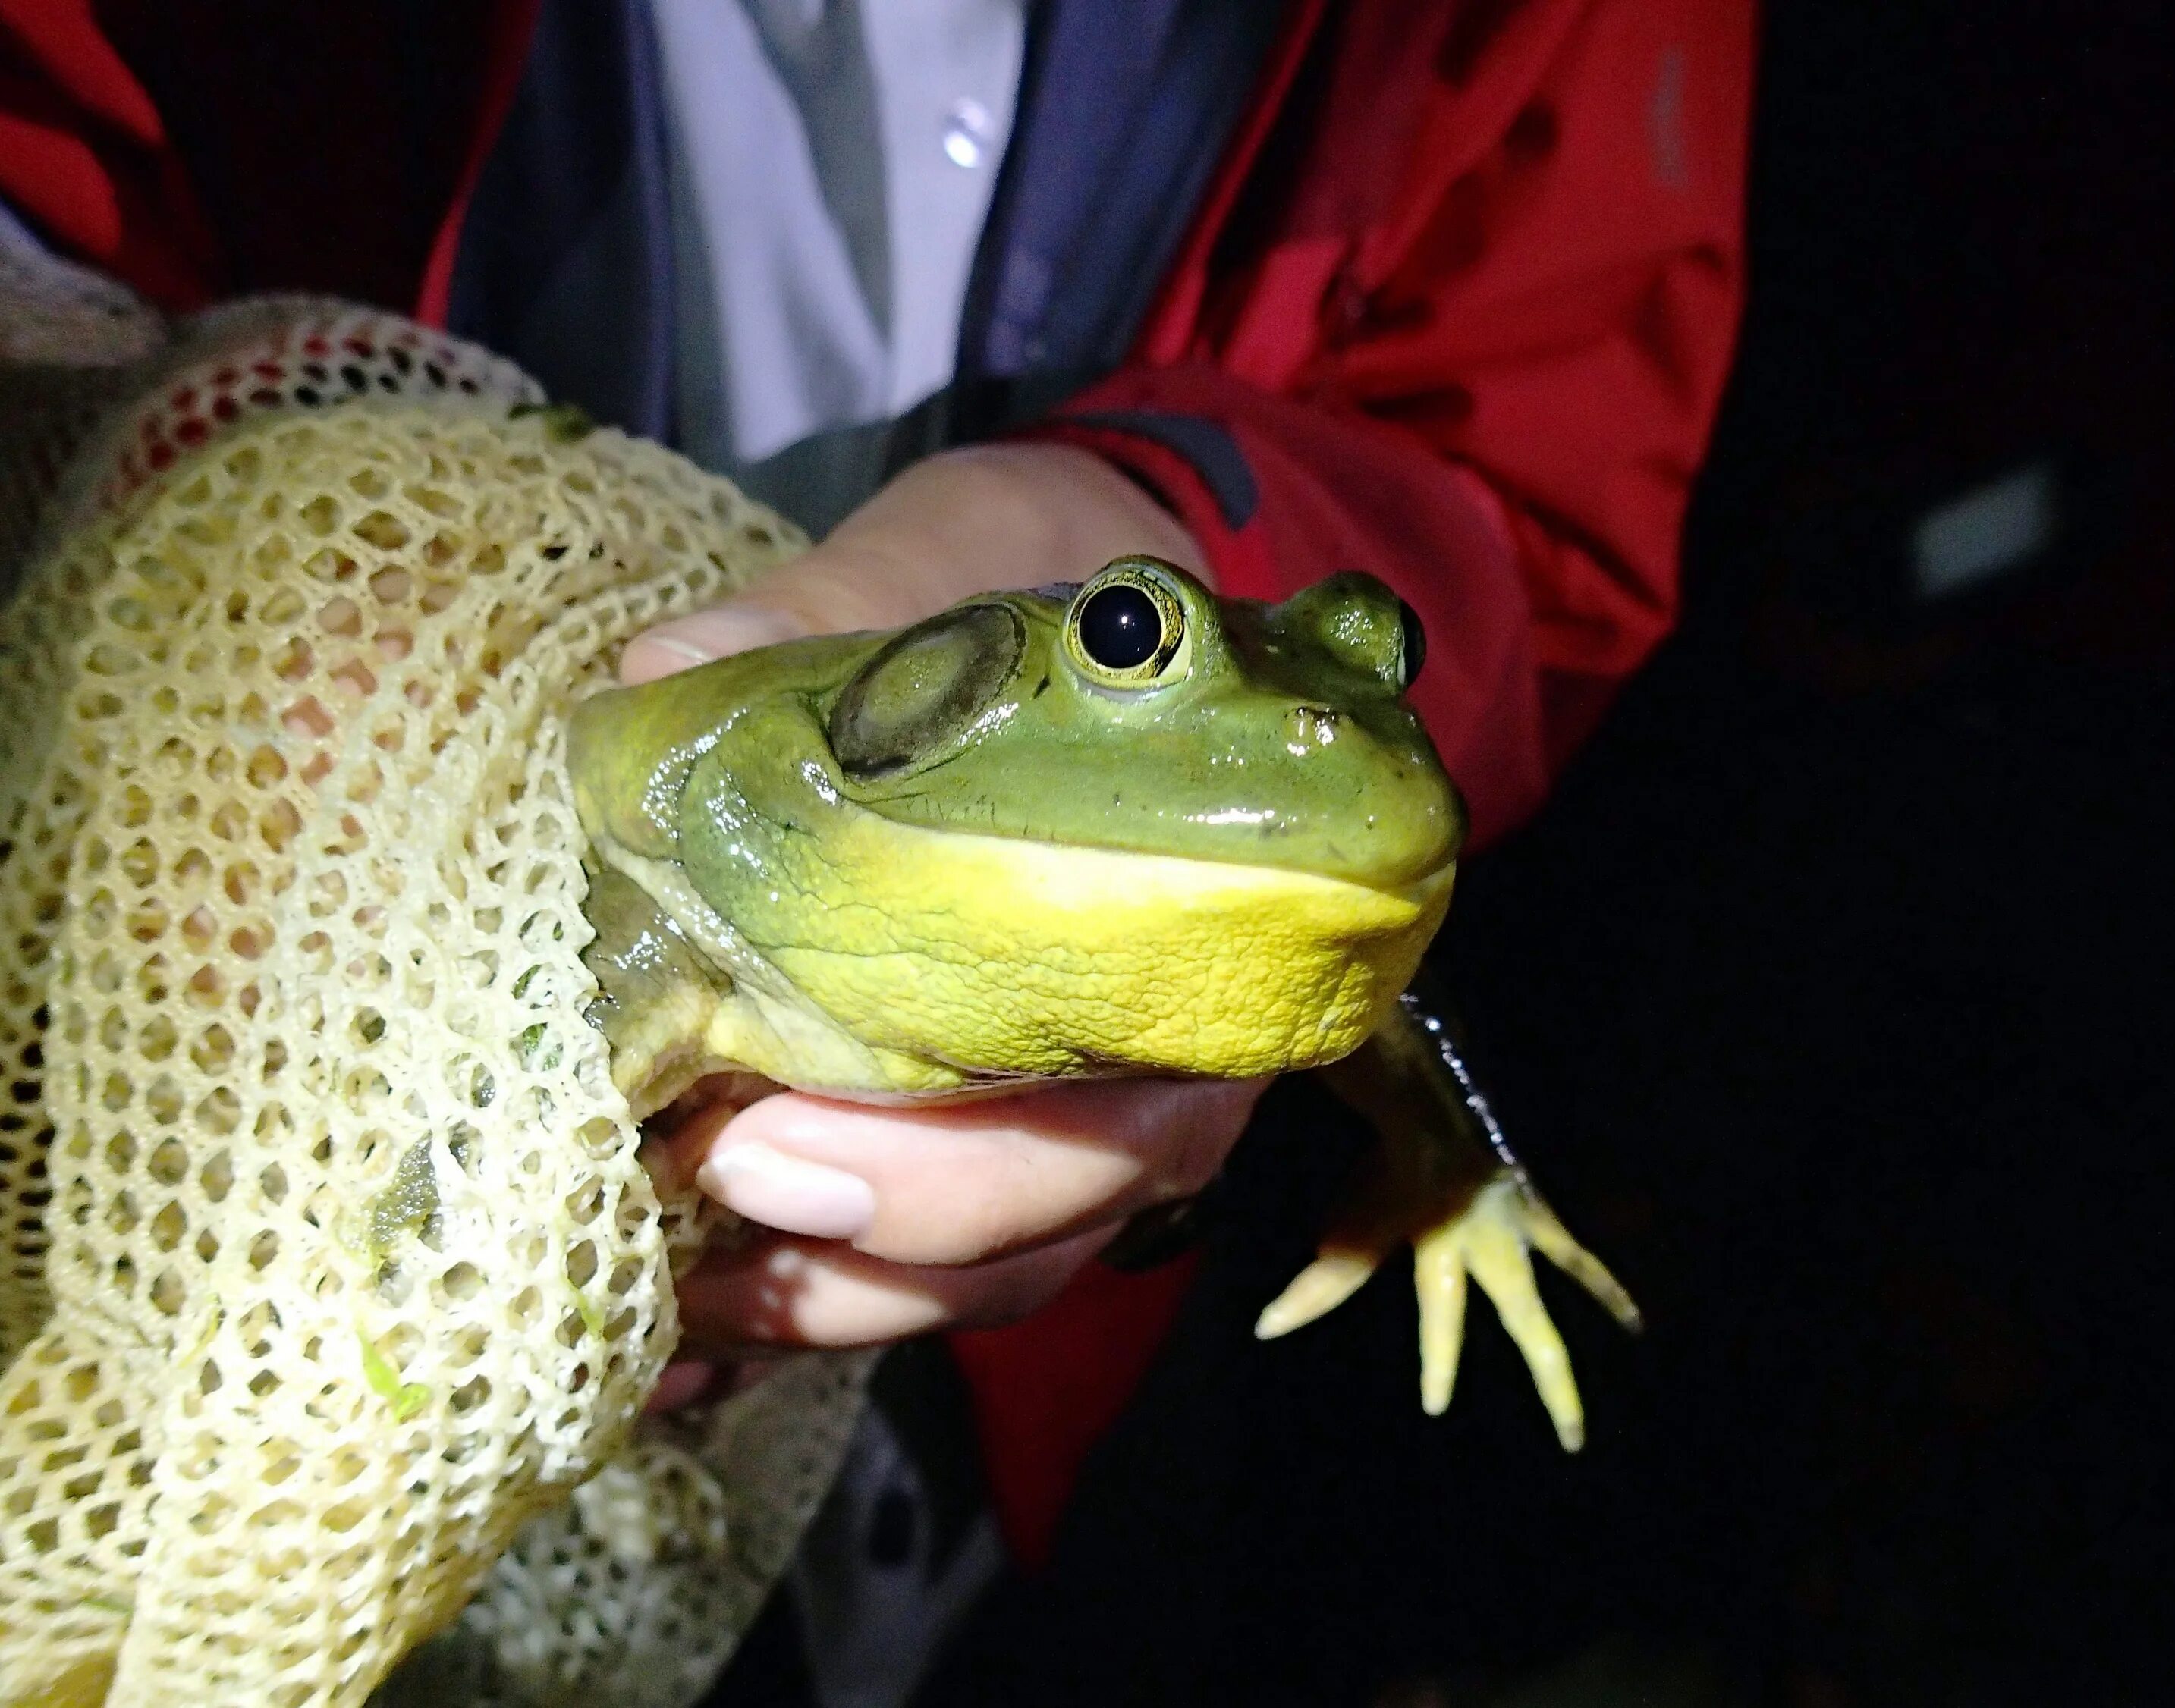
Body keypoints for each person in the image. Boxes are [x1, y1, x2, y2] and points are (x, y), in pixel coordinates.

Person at [2, 0, 1752, 1696]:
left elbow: (1543, 418)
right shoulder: (727, 862)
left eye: (1372, 691)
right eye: (1134, 644)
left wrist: (1453, 1175)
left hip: (1046, 1398)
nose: (1328, 741)